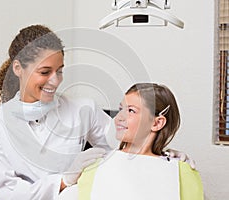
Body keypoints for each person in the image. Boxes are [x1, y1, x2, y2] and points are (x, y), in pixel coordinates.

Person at [0, 25, 194, 200]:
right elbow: (7, 191)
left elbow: (125, 145)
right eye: (45, 72)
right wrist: (64, 180)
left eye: (60, 70)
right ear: (18, 68)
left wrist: (162, 155)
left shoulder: (83, 109)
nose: (55, 81)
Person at [59, 83, 204, 200]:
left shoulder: (180, 172)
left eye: (131, 111)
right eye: (121, 109)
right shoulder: (95, 167)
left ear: (157, 123)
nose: (119, 117)